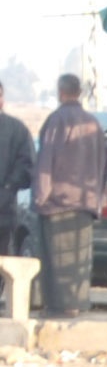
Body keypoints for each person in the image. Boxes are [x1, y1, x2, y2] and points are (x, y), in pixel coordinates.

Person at [33, 74, 107, 316]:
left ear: (61, 92)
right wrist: (98, 197)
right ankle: (77, 304)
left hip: (58, 203)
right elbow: (105, 163)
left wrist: (39, 197)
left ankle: (60, 308)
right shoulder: (93, 124)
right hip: (85, 203)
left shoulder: (57, 121)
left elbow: (46, 162)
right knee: (78, 259)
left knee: (57, 260)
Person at [0, 80, 36, 256]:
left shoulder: (16, 129)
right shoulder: (17, 129)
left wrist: (8, 187)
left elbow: (27, 166)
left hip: (4, 214)